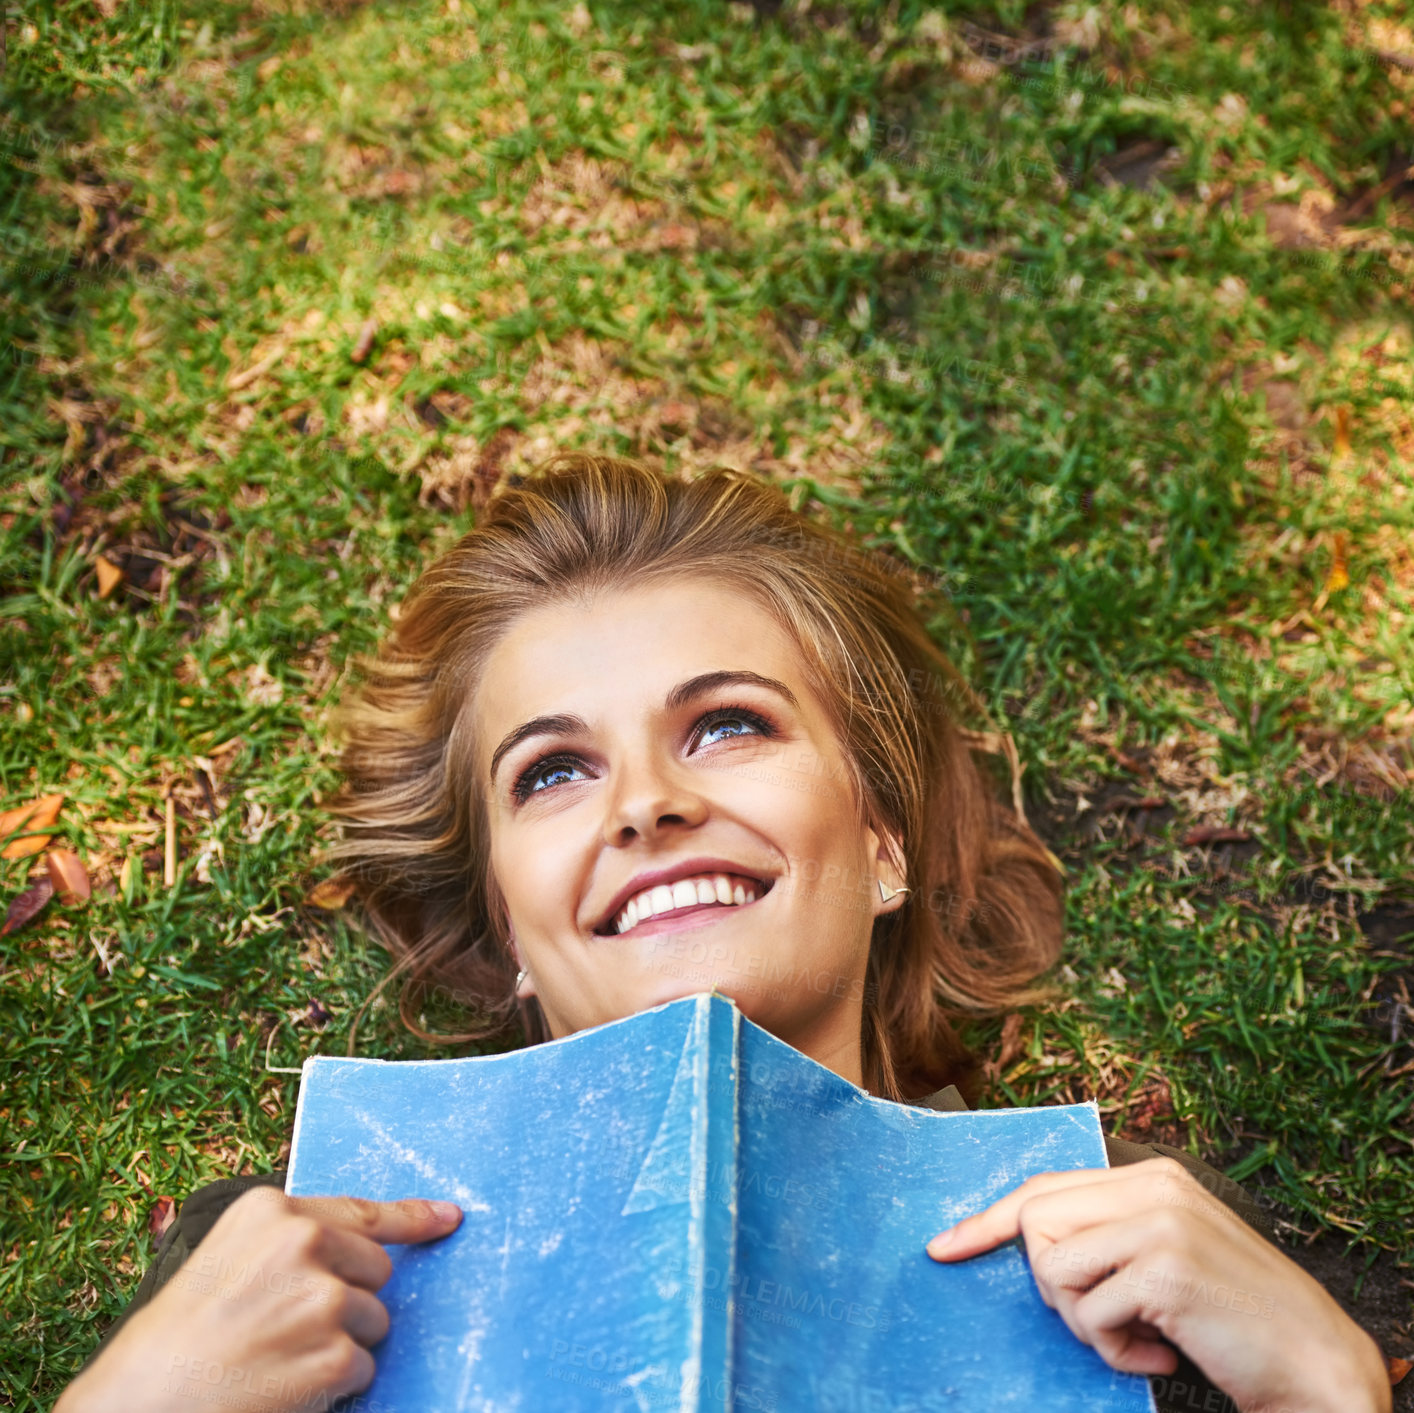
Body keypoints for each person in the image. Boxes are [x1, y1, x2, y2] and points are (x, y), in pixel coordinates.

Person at [54, 454, 1391, 1413]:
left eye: (728, 724)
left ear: (882, 843)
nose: (646, 802)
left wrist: (1323, 1389)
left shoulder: (1147, 1278)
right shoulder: (282, 1269)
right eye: (552, 773)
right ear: (511, 929)